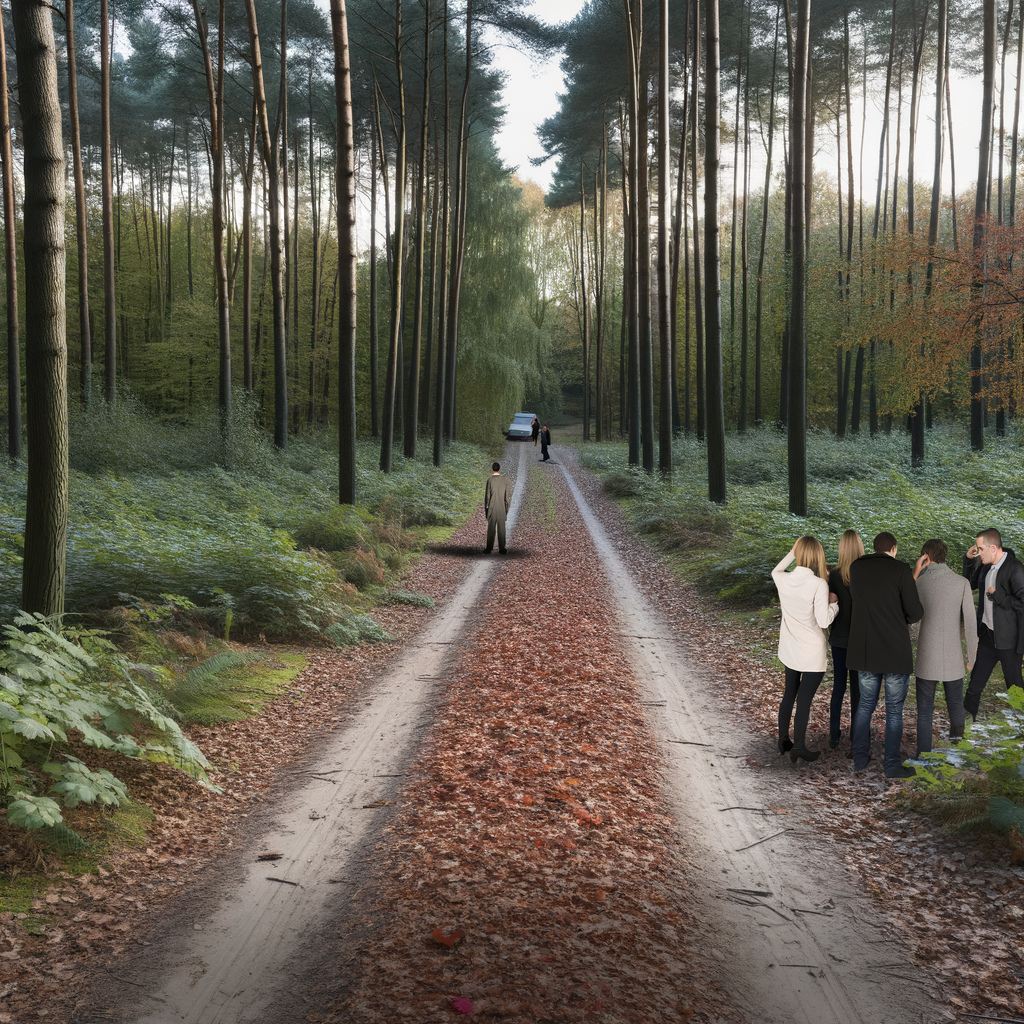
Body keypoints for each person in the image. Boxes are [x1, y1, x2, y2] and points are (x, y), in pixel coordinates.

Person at [847, 532, 926, 779]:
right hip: (894, 651)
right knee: (893, 710)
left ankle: (859, 758)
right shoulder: (901, 570)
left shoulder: (856, 568)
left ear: (874, 548)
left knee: (865, 706)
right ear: (893, 549)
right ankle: (891, 765)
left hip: (866, 650)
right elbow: (914, 613)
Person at [771, 537, 839, 763]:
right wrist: (834, 604)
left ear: (799, 554)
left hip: (790, 649)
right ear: (816, 556)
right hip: (811, 653)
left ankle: (783, 739)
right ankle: (799, 746)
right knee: (804, 700)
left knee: (789, 693)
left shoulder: (783, 579)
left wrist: (792, 551)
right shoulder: (819, 584)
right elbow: (823, 621)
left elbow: (776, 570)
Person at [912, 538, 977, 753]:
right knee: (955, 704)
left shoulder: (919, 584)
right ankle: (956, 752)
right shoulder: (961, 583)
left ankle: (923, 755)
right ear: (944, 556)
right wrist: (972, 657)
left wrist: (915, 575)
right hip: (953, 656)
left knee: (924, 710)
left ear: (925, 557)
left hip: (926, 655)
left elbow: (910, 617)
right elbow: (970, 621)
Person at [962, 528, 1024, 719]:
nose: (978, 552)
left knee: (1015, 689)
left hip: (1009, 641)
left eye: (981, 549)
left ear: (994, 548)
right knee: (974, 687)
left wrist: (998, 596)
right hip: (987, 637)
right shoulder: (985, 566)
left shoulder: (1015, 569)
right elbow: (969, 583)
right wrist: (969, 560)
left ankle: (1021, 732)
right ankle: (961, 730)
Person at [827, 530, 863, 750]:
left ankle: (833, 734)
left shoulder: (834, 575)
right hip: (860, 638)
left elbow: (831, 603)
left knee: (838, 687)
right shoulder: (866, 573)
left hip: (839, 637)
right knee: (858, 690)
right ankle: (856, 735)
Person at [483, 462, 512, 554]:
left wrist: (487, 510)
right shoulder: (506, 480)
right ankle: (502, 548)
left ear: (492, 469)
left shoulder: (490, 480)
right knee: (502, 528)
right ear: (499, 469)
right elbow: (507, 496)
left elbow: (487, 497)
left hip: (492, 507)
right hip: (502, 507)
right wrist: (506, 508)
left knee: (491, 528)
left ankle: (489, 548)